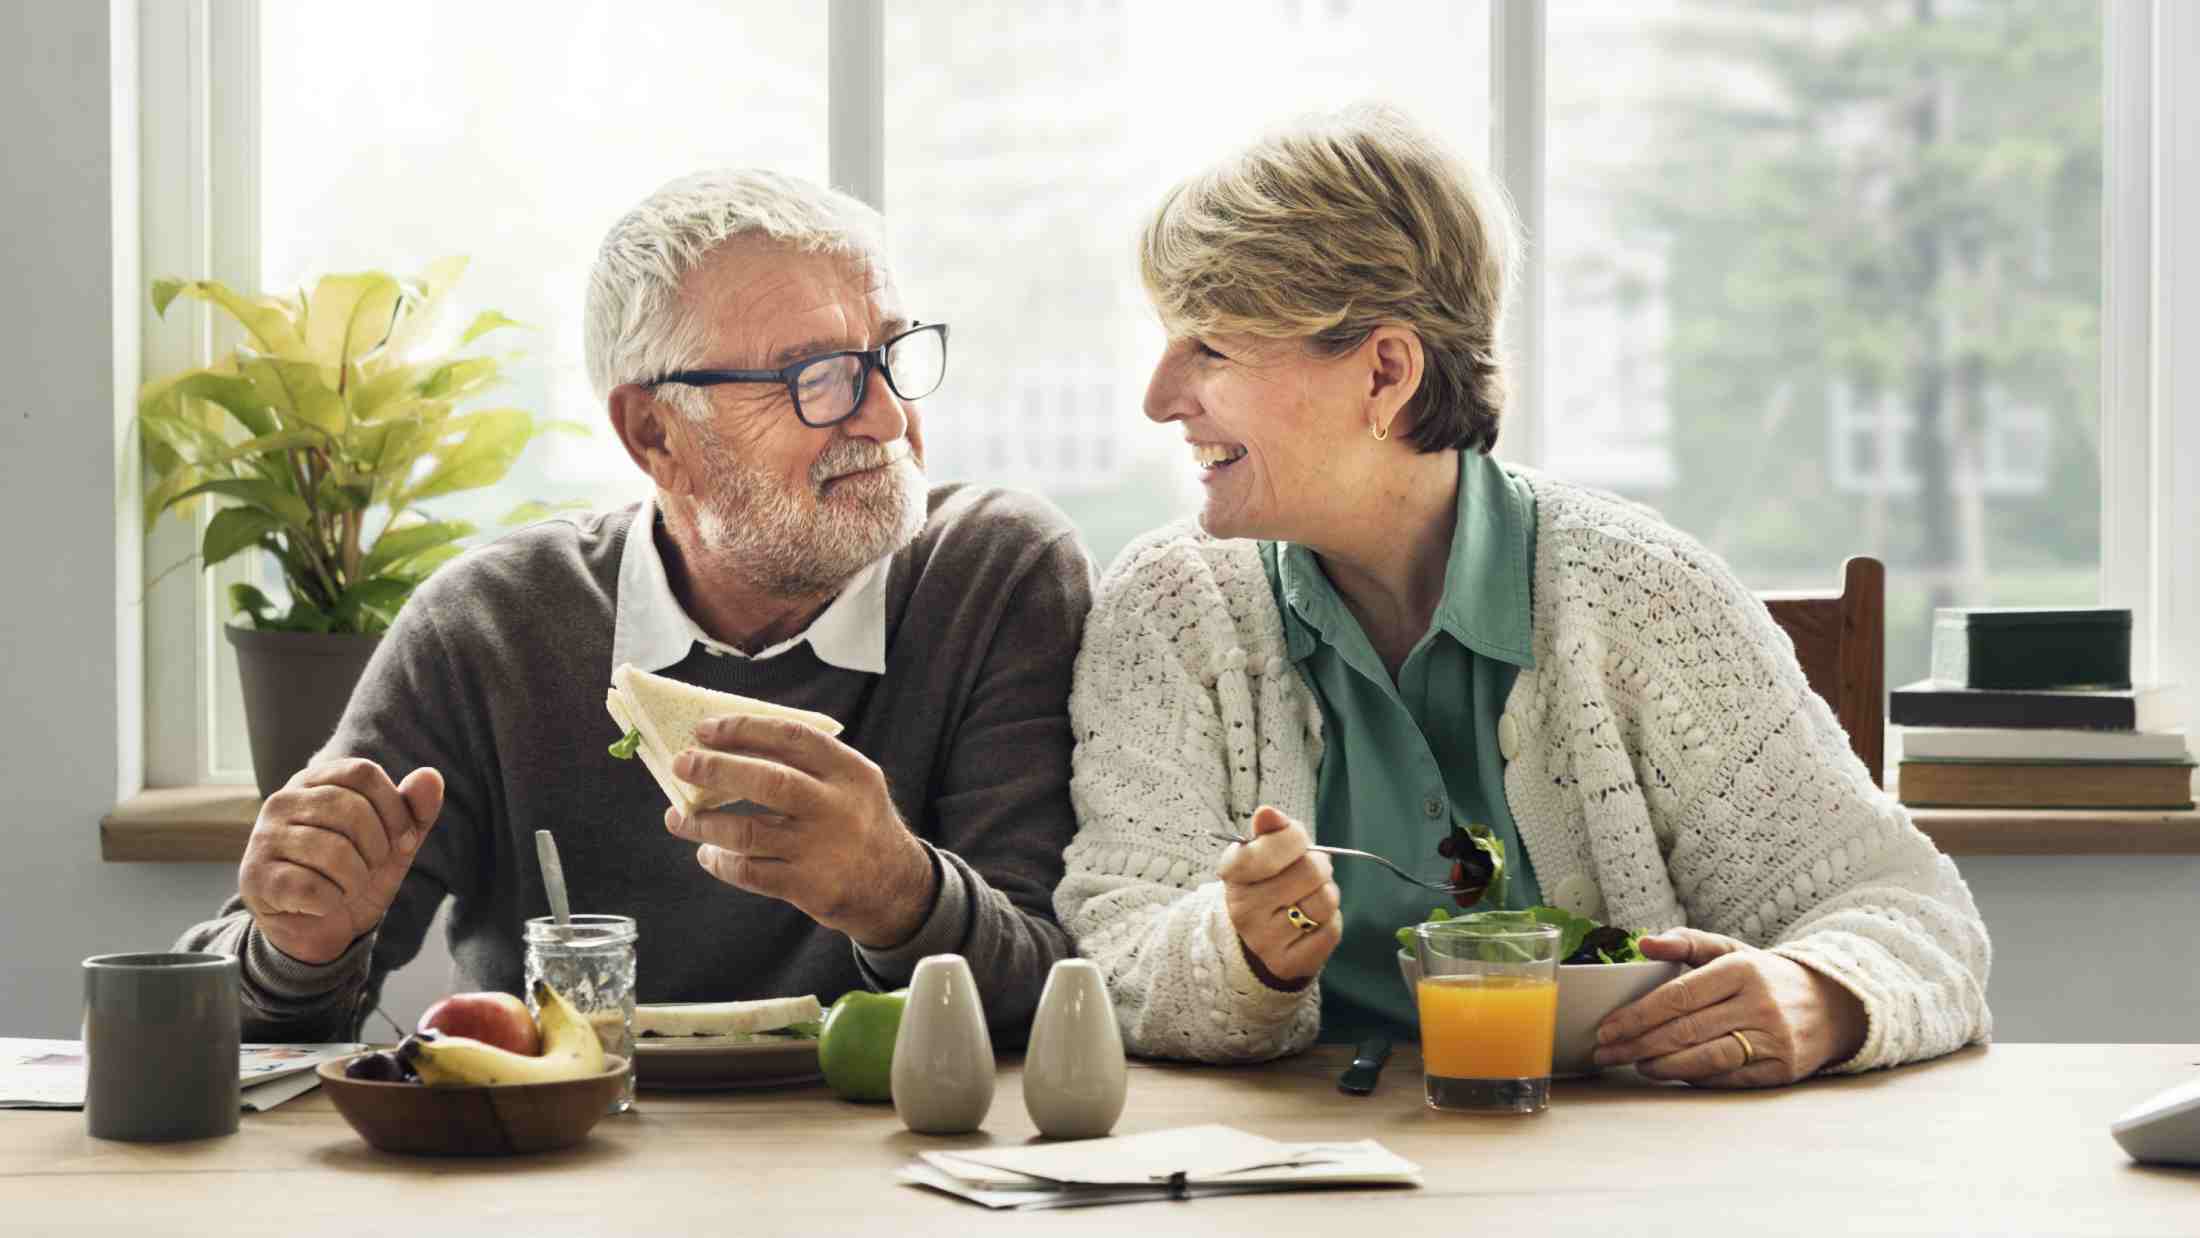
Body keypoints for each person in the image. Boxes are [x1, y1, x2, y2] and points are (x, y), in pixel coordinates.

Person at [1056, 106, 1991, 1085]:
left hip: (1614, 1178)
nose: (1160, 397)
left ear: (1384, 370)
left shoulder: (1643, 595)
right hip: (1283, 1180)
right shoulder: (1171, 608)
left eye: (1209, 347)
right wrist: (1246, 949)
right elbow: (1111, 950)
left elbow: (1908, 910)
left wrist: (1823, 992)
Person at [178, 168, 1093, 1043]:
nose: (888, 419)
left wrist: (899, 893)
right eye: (817, 377)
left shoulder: (995, 575)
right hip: (555, 1171)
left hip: (892, 1178)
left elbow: (1067, 1000)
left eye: (890, 355)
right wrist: (296, 946)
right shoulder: (491, 625)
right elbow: (233, 1026)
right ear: (654, 432)